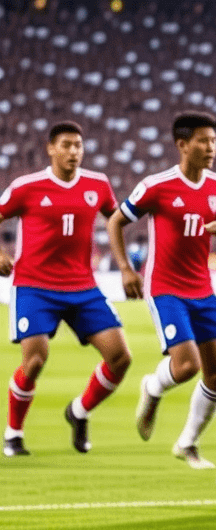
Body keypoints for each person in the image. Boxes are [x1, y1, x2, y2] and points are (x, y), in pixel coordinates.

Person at [108, 112, 216, 470]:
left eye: (214, 141)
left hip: (202, 287)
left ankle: (188, 442)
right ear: (182, 145)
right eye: (203, 141)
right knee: (187, 365)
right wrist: (126, 268)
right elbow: (116, 221)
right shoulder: (156, 186)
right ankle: (153, 388)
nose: (211, 148)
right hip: (164, 287)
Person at [0, 121, 131, 457]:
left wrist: (126, 266)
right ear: (51, 149)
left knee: (120, 358)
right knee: (35, 361)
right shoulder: (26, 187)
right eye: (67, 145)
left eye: (78, 146)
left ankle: (79, 411)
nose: (74, 152)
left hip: (83, 287)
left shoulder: (98, 185)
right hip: (34, 287)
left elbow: (114, 220)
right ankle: (13, 433)